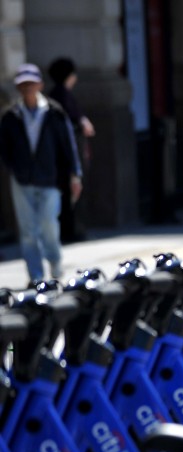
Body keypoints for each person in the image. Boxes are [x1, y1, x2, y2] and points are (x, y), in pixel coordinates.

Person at [0, 63, 82, 285]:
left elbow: (68, 144)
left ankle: (55, 264)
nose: (27, 88)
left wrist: (75, 174)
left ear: (40, 85)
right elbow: (4, 147)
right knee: (27, 230)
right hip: (22, 179)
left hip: (49, 178)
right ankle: (36, 276)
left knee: (48, 225)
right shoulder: (10, 116)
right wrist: (14, 168)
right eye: (23, 84)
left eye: (31, 83)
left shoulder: (54, 112)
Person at [47, 57, 94, 243]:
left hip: (67, 152)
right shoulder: (60, 95)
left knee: (71, 192)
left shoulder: (61, 94)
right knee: (70, 192)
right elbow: (70, 124)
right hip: (67, 153)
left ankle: (73, 228)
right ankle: (70, 230)